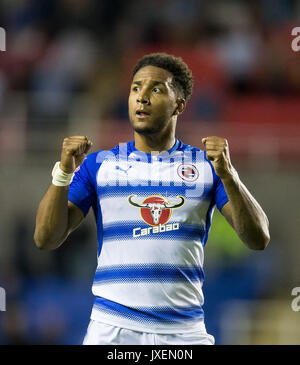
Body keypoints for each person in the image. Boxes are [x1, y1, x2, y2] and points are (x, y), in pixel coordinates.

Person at [34, 53, 270, 345]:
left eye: (156, 89)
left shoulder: (207, 167)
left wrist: (230, 175)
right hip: (113, 330)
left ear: (179, 105)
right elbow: (46, 238)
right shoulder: (100, 165)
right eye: (135, 88)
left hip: (185, 334)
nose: (141, 98)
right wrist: (63, 173)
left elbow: (258, 239)